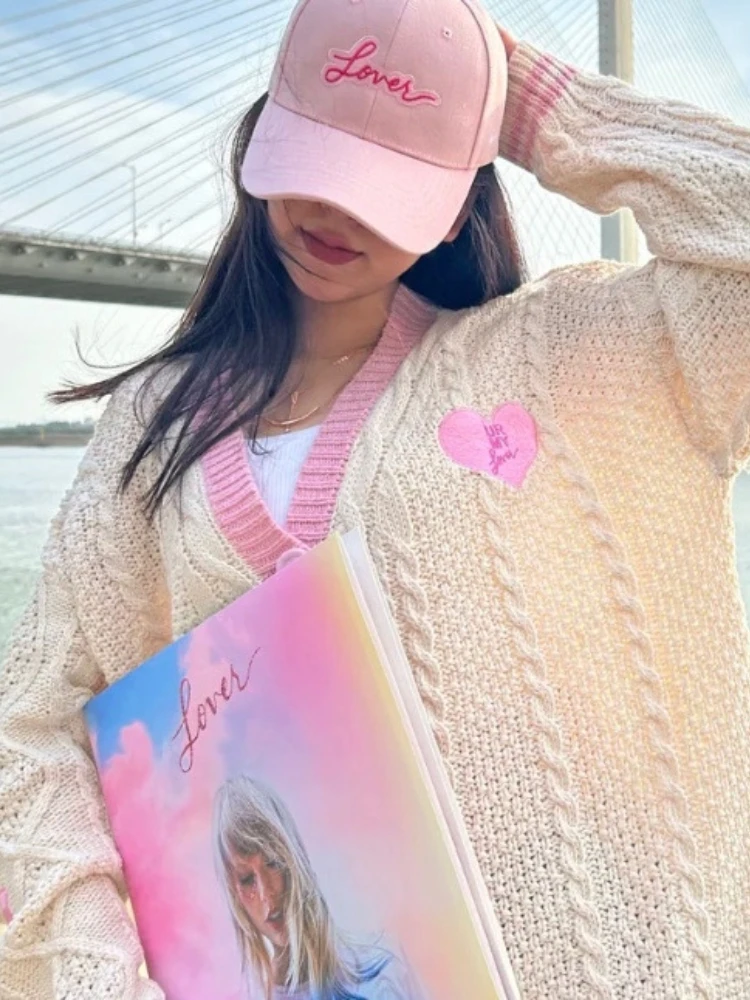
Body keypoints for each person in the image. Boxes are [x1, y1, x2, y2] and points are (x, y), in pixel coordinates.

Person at [0, 0, 748, 995]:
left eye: (388, 179)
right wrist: (102, 975)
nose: (334, 209)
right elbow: (34, 725)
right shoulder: (155, 421)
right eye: (314, 155)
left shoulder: (554, 360)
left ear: (462, 192)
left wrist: (533, 106)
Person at [214, 776, 421, 1000]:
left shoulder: (384, 967)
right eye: (247, 879)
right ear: (234, 895)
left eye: (273, 862)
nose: (266, 893)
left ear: (295, 857)